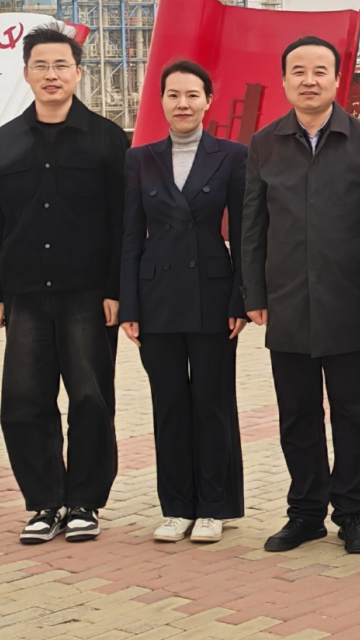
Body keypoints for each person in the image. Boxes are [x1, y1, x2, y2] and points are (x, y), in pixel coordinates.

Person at [239, 35, 360, 554]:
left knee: (353, 414)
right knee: (297, 415)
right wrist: (253, 292)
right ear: (284, 80)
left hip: (350, 300)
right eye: (299, 72)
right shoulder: (265, 143)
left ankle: (352, 513)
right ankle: (305, 513)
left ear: (336, 79)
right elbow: (252, 227)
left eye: (320, 71)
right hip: (286, 300)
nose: (309, 80)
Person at [0, 25, 129, 545]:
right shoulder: (4, 142)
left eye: (61, 65)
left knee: (90, 398)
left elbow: (123, 222)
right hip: (24, 294)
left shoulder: (107, 139)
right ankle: (43, 502)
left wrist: (117, 289)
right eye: (40, 66)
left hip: (88, 293)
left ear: (78, 73)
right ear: (26, 74)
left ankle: (85, 502)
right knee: (23, 402)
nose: (51, 75)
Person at [118, 60, 249, 545]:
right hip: (156, 298)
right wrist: (129, 306)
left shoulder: (232, 156)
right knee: (169, 404)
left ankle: (214, 507)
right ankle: (176, 507)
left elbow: (244, 234)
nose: (183, 104)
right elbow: (130, 237)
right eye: (173, 95)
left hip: (213, 295)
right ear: (161, 101)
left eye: (193, 95)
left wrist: (240, 299)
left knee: (213, 402)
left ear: (208, 101)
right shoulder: (140, 159)